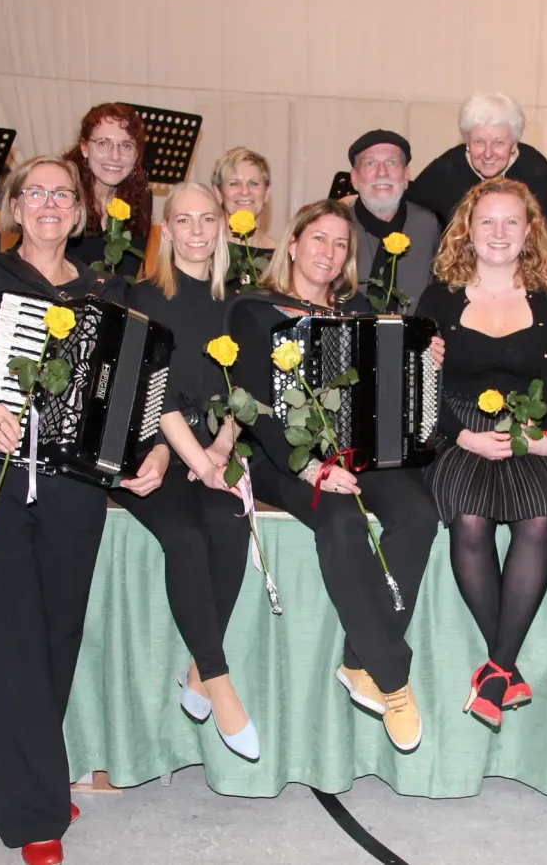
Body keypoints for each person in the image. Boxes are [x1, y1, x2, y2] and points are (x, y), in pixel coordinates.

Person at [0, 155, 167, 865]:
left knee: (58, 630)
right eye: (35, 193)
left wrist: (145, 448)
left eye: (62, 194)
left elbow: (128, 391)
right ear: (12, 206)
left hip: (74, 484)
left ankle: (33, 771)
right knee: (4, 637)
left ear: (82, 211)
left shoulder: (107, 289)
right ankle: (32, 813)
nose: (49, 204)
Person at [226, 199, 441, 752]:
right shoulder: (252, 310)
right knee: (342, 522)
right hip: (282, 460)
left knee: (419, 511)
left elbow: (390, 384)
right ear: (292, 244)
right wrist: (310, 466)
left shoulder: (363, 307)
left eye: (340, 243)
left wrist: (426, 355)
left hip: (357, 452)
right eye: (318, 239)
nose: (329, 252)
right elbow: (253, 405)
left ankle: (358, 658)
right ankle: (392, 676)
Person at [416, 178, 547, 728]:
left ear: (529, 232)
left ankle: (497, 668)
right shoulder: (439, 297)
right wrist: (460, 433)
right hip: (459, 432)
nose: (499, 233)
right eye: (487, 222)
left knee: (538, 520)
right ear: (468, 232)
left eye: (511, 222)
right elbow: (420, 383)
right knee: (469, 521)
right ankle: (506, 669)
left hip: (531, 432)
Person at [104, 182, 259, 758]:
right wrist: (197, 458)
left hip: (217, 443)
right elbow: (154, 391)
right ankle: (218, 683)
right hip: (150, 446)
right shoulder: (141, 294)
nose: (196, 231)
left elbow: (248, 389)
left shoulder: (239, 302)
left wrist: (220, 448)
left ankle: (195, 669)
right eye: (184, 221)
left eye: (208, 219)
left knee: (230, 526)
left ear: (222, 227)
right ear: (165, 231)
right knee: (187, 539)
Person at [408, 91, 547, 239]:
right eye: (478, 142)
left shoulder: (535, 170)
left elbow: (544, 240)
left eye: (498, 143)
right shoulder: (445, 170)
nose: (488, 154)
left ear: (513, 144)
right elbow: (410, 206)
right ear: (467, 142)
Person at [347, 129, 440, 310]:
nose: (382, 173)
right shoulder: (340, 227)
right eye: (370, 163)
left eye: (391, 162)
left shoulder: (427, 226)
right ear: (354, 178)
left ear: (406, 176)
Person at [63, 102, 153, 279]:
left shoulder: (142, 199)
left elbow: (127, 277)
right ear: (84, 148)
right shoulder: (63, 194)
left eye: (126, 146)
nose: (115, 156)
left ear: (136, 154)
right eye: (104, 143)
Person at [210, 147, 277, 289]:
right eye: (234, 183)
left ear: (267, 192)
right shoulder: (205, 249)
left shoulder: (280, 257)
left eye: (254, 183)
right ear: (218, 192)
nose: (245, 191)